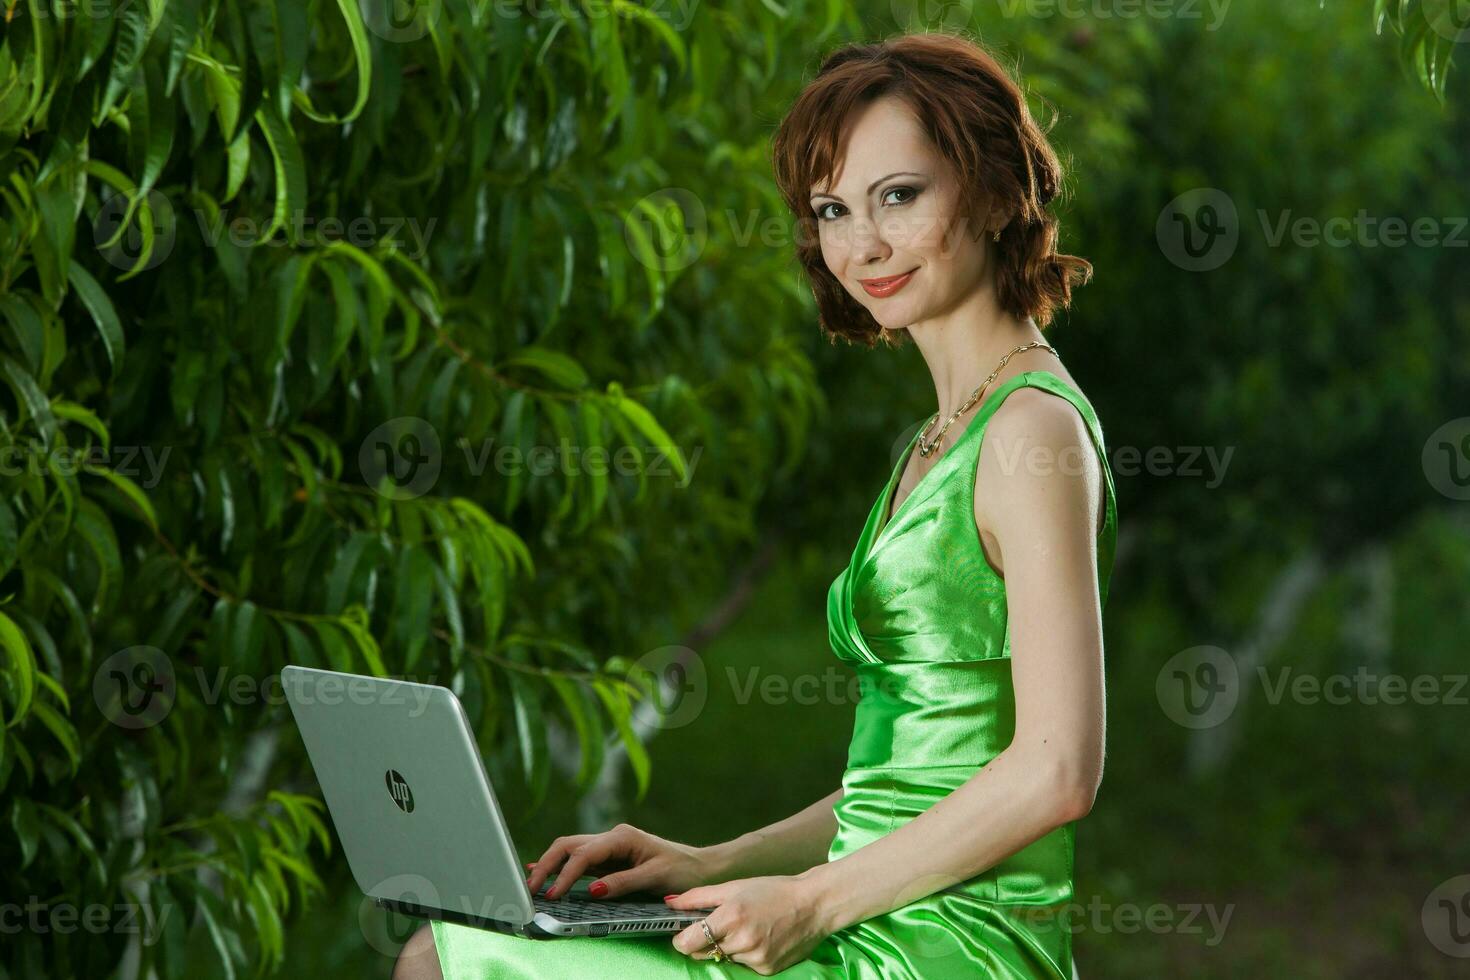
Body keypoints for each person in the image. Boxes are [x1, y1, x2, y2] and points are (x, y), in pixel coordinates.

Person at [396, 29, 1114, 979]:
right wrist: (711, 863)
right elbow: (903, 785)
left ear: (987, 190)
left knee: (449, 962)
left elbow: (1059, 770)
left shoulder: (1029, 432)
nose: (863, 244)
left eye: (899, 196)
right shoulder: (943, 434)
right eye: (832, 209)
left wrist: (810, 903)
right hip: (881, 907)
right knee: (461, 947)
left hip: (955, 943)